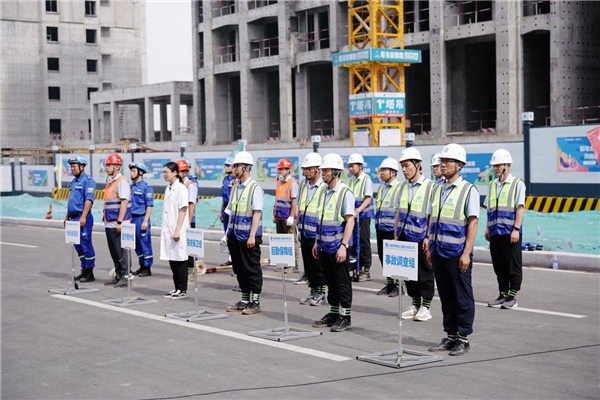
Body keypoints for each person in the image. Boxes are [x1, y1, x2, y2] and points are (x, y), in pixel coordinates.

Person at [426, 143, 479, 356]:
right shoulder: (437, 188)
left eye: (448, 161)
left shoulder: (468, 190)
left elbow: (473, 222)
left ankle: (463, 338)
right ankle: (451, 334)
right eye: (442, 161)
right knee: (446, 296)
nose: (443, 165)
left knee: (462, 296)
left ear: (459, 165)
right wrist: (429, 243)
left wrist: (466, 253)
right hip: (438, 251)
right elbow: (433, 217)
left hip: (457, 253)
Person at [312, 153, 355, 332]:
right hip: (324, 246)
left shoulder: (345, 193)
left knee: (342, 282)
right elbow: (321, 219)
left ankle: (345, 316)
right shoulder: (323, 191)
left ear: (336, 172)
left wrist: (343, 246)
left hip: (338, 247)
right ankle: (334, 313)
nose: (322, 173)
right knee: (330, 281)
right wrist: (317, 242)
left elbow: (350, 221)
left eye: (326, 170)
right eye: (322, 170)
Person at [394, 148, 436, 321]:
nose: (404, 170)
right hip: (404, 235)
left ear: (417, 165)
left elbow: (432, 214)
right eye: (402, 166)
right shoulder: (402, 186)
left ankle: (426, 306)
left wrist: (428, 237)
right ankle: (415, 304)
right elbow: (399, 211)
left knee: (424, 272)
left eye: (407, 166)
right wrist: (396, 235)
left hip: (420, 237)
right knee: (409, 273)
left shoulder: (430, 187)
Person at [223, 151, 265, 315]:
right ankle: (245, 299)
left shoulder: (255, 188)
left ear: (246, 167)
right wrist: (228, 233)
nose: (234, 169)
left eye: (236, 166)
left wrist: (252, 235)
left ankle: (255, 302)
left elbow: (257, 213)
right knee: (239, 268)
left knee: (252, 269)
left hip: (248, 236)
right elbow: (231, 212)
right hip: (235, 235)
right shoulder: (235, 187)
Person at [484, 149, 526, 309]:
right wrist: (487, 228)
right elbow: (489, 209)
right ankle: (503, 294)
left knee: (513, 265)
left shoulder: (517, 184)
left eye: (499, 165)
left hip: (510, 233)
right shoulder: (491, 185)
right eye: (494, 166)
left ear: (508, 165)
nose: (496, 168)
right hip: (495, 232)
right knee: (499, 265)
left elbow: (520, 208)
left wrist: (516, 229)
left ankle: (513, 296)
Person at [297, 152, 327, 306]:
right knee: (308, 264)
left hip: (317, 233)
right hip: (304, 231)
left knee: (318, 265)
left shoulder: (324, 187)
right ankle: (313, 291)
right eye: (304, 169)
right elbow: (299, 206)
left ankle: (321, 293)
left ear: (317, 169)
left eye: (309, 169)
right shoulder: (303, 185)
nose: (306, 172)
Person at [65, 156, 96, 283]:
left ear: (82, 167)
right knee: (78, 246)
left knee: (85, 244)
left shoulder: (88, 181)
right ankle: (84, 269)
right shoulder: (74, 182)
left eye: (74, 166)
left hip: (82, 217)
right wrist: (67, 217)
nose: (72, 169)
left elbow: (89, 200)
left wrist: (83, 216)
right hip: (73, 218)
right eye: (71, 167)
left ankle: (89, 272)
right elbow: (71, 200)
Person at [160, 161, 189, 299]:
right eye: (163, 172)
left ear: (175, 173)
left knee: (180, 260)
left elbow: (183, 210)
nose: (164, 175)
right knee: (172, 259)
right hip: (169, 229)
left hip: (178, 229)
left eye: (166, 172)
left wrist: (177, 230)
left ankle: (182, 289)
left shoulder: (181, 189)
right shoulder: (168, 188)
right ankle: (176, 288)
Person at [103, 153, 133, 287]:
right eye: (107, 165)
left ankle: (126, 276)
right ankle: (119, 275)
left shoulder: (122, 182)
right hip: (110, 221)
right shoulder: (111, 182)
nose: (107, 168)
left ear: (117, 167)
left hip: (119, 222)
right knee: (114, 251)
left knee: (122, 251)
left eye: (109, 165)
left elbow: (124, 202)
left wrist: (120, 222)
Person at [373, 157, 402, 296]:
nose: (381, 172)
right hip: (381, 228)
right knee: (384, 258)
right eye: (381, 170)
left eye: (384, 170)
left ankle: (398, 285)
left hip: (392, 230)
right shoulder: (382, 188)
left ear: (393, 172)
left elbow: (400, 210)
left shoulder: (400, 188)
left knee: (394, 258)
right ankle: (390, 284)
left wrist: (397, 232)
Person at [347, 153, 374, 282]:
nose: (350, 169)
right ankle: (356, 267)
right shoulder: (352, 180)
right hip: (354, 216)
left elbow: (368, 199)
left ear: (360, 166)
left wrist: (358, 210)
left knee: (363, 241)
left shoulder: (366, 179)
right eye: (349, 166)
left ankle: (366, 269)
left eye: (353, 166)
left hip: (363, 216)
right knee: (354, 242)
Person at [273, 157, 300, 274]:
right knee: (281, 240)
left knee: (291, 240)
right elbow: (277, 198)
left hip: (288, 217)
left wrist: (292, 216)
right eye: (279, 169)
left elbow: (294, 201)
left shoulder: (292, 183)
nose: (280, 171)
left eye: (282, 169)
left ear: (288, 170)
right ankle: (283, 262)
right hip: (279, 216)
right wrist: (275, 213)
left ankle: (294, 264)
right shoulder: (279, 183)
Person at [129, 162, 154, 277]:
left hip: (141, 218)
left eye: (133, 171)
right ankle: (142, 265)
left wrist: (145, 220)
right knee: (136, 244)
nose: (131, 173)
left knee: (145, 243)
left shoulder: (146, 187)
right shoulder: (131, 187)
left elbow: (149, 205)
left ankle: (147, 267)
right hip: (132, 218)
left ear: (140, 172)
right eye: (131, 171)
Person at [176, 159, 198, 280]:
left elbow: (192, 204)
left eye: (178, 171)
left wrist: (188, 222)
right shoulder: (178, 185)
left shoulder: (190, 186)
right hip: (180, 221)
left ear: (185, 172)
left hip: (188, 221)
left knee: (189, 248)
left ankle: (191, 271)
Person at [219, 156, 235, 267]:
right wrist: (221, 212)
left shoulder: (236, 180)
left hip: (232, 210)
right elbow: (223, 198)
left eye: (228, 165)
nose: (226, 167)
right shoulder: (225, 180)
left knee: (232, 235)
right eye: (226, 165)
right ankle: (230, 258)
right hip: (226, 210)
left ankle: (235, 258)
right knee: (226, 234)